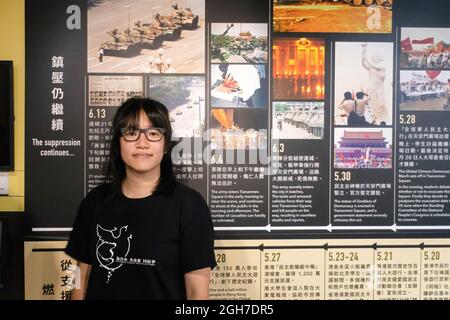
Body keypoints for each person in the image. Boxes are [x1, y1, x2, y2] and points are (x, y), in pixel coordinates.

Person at [65, 98, 216, 300]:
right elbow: (80, 274)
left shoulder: (189, 206)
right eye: (131, 133)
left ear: (165, 145)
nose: (142, 143)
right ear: (118, 143)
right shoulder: (95, 201)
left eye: (153, 133)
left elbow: (197, 292)